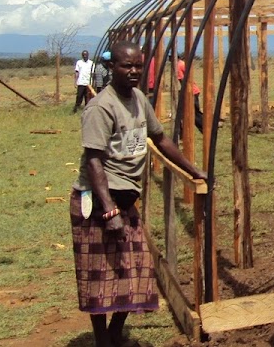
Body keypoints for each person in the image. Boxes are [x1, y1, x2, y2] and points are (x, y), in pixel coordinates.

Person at [71, 41, 206, 347]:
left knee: (136, 270)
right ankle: (102, 339)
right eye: (125, 66)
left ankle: (116, 333)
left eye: (137, 66)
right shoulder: (101, 106)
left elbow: (159, 138)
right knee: (99, 275)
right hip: (98, 200)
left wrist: (193, 169)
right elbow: (94, 161)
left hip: (125, 198)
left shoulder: (138, 100)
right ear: (111, 67)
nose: (133, 72)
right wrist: (109, 212)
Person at [175, 56, 204, 130]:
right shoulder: (182, 63)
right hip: (193, 90)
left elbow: (182, 80)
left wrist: (183, 92)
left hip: (191, 92)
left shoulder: (178, 66)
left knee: (193, 113)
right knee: (194, 112)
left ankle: (205, 127)